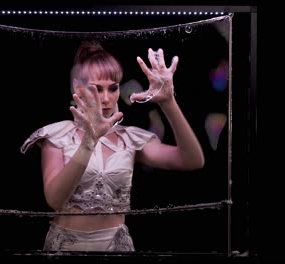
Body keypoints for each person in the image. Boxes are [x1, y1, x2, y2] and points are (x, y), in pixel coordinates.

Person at [20, 41, 205, 251]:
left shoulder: (130, 138)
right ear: (76, 87)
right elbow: (55, 200)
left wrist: (168, 101)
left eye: (113, 88)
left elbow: (192, 160)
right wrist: (88, 142)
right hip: (65, 247)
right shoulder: (57, 135)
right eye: (97, 89)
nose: (106, 98)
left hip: (116, 248)